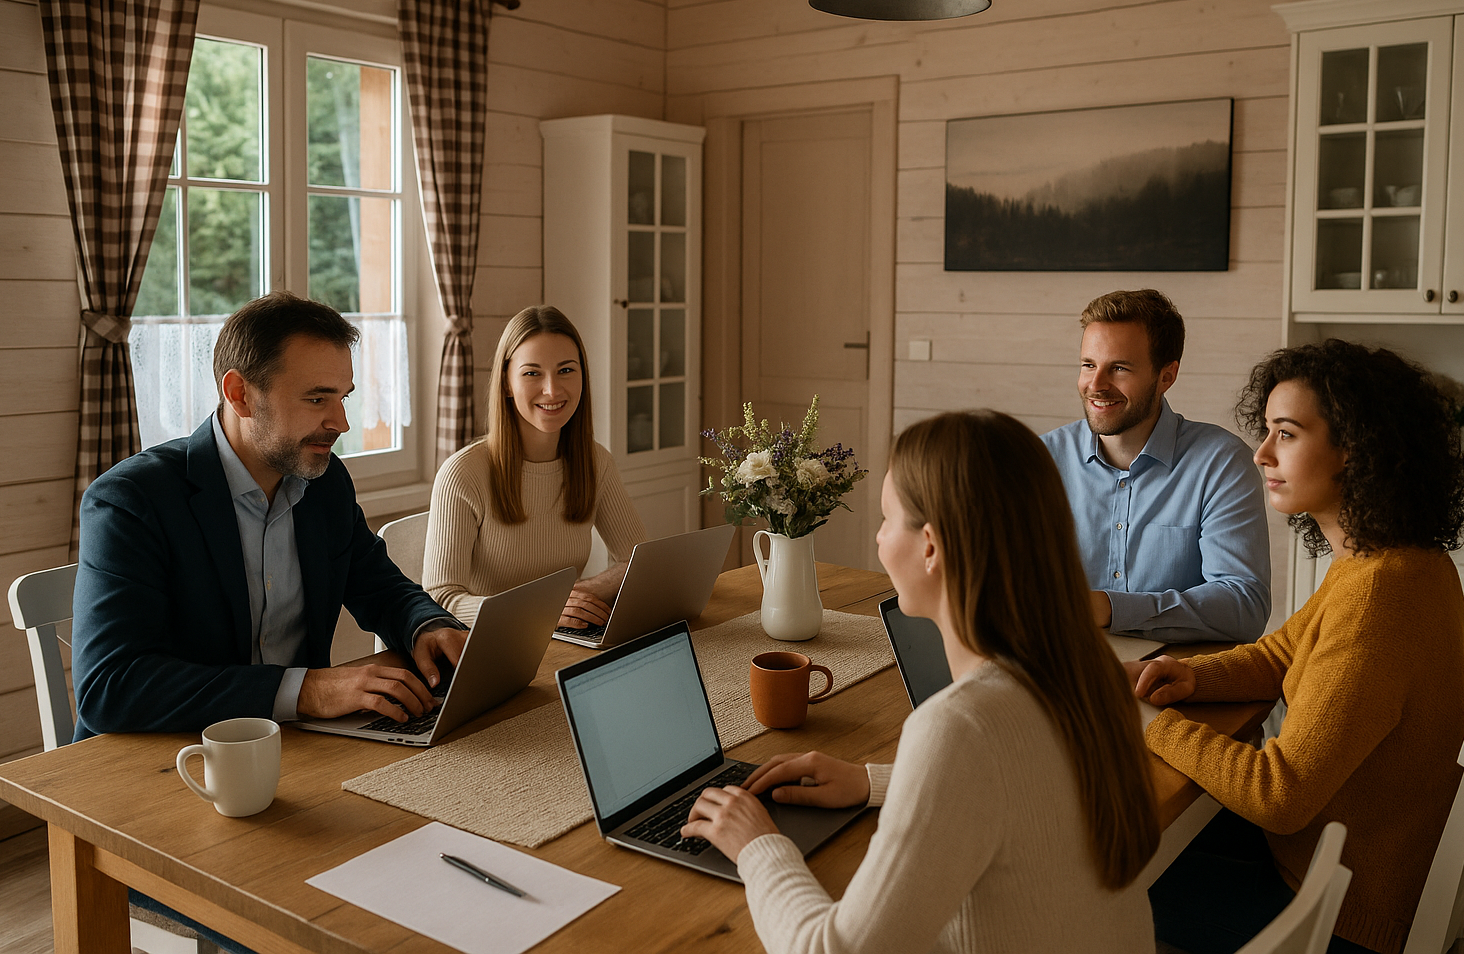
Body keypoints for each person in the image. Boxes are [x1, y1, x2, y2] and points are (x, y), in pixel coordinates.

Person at [681, 410, 1160, 954]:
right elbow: (1020, 778)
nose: (880, 541)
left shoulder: (960, 726)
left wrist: (759, 844)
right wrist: (877, 783)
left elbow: (833, 950)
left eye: (887, 520)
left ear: (931, 547)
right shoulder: (1084, 671)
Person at [1135, 340, 1464, 954]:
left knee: (1097, 877)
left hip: (1338, 912)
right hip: (1330, 857)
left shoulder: (1380, 595)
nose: (1261, 453)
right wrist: (1185, 678)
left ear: (1357, 451)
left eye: (1285, 434)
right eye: (1266, 431)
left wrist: (1151, 726)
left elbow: (1278, 794)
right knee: (1130, 839)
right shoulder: (1384, 561)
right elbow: (1280, 655)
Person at [73, 292, 468, 740]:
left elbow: (378, 585)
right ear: (240, 394)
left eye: (343, 398)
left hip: (298, 744)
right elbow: (110, 688)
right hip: (164, 758)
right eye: (317, 399)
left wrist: (427, 625)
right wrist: (306, 692)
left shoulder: (324, 480)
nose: (341, 422)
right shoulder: (131, 500)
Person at [1042, 288, 1270, 643]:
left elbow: (1244, 606)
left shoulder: (1221, 463)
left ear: (1167, 376)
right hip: (1062, 671)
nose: (1096, 385)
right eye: (1088, 365)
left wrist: (1109, 608)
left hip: (1174, 678)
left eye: (1119, 368)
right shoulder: (1042, 459)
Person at [423, 305, 646, 631]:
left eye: (566, 370)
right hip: (489, 644)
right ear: (507, 382)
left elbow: (638, 559)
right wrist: (540, 609)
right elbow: (441, 597)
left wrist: (581, 594)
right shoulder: (463, 473)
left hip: (566, 638)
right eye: (532, 373)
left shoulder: (596, 461)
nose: (553, 390)